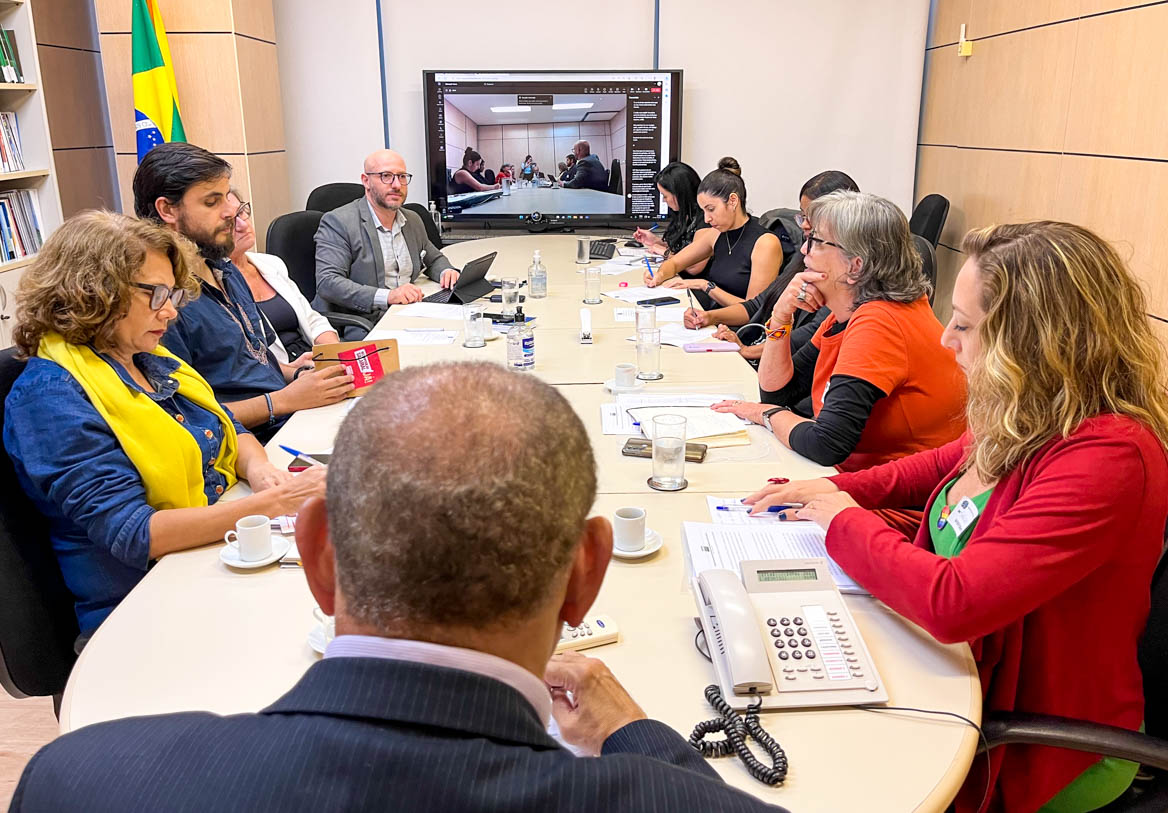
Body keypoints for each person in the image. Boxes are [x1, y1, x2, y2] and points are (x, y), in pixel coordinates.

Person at [11, 362, 787, 813]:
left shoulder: (85, 782)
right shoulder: (676, 799)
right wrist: (640, 737)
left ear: (317, 554)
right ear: (587, 573)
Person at [745, 221, 1168, 813]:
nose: (946, 339)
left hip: (1035, 744)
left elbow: (955, 601)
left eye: (965, 325)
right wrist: (826, 489)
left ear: (1033, 341)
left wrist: (841, 520)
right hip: (953, 671)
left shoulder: (1109, 455)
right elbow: (933, 467)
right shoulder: (1029, 411)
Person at [2, 212, 326, 643]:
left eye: (171, 294)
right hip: (143, 610)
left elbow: (224, 424)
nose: (171, 311)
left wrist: (260, 471)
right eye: (156, 294)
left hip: (206, 562)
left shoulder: (145, 358)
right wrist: (275, 502)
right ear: (95, 290)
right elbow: (136, 533)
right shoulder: (49, 398)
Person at [713, 190, 965, 534]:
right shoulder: (846, 315)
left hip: (905, 510)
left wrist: (765, 415)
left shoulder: (880, 322)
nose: (804, 251)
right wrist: (781, 317)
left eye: (816, 241)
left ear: (855, 265)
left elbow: (825, 444)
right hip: (856, 486)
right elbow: (778, 393)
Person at [134, 143, 354, 443]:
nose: (230, 212)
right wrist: (283, 400)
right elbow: (185, 418)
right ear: (168, 210)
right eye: (212, 202)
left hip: (288, 415)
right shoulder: (163, 304)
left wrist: (297, 375)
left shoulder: (226, 270)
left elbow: (253, 360)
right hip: (250, 441)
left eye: (227, 197)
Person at [686, 171, 860, 372]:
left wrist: (748, 351)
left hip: (788, 363)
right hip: (768, 352)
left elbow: (813, 334)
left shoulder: (846, 275)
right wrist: (709, 317)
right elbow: (759, 303)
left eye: (811, 216)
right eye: (802, 216)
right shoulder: (804, 254)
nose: (804, 224)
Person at [314, 149, 461, 338]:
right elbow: (328, 282)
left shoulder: (412, 220)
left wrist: (446, 271)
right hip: (366, 322)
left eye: (402, 176)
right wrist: (388, 296)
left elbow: (433, 258)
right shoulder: (338, 222)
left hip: (410, 313)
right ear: (366, 181)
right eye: (386, 176)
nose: (396, 185)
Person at [643, 158, 781, 309]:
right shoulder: (716, 233)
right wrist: (659, 275)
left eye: (711, 209)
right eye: (704, 211)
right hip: (712, 315)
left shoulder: (766, 243)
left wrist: (705, 286)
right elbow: (674, 263)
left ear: (733, 201)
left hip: (731, 322)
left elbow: (753, 309)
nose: (706, 219)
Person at [226, 189, 338, 365]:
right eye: (230, 221)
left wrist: (334, 354)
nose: (242, 225)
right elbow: (243, 359)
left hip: (313, 359)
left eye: (241, 212)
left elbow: (312, 319)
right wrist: (292, 371)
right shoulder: (217, 284)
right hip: (277, 373)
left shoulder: (271, 263)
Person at [632, 161, 704, 260]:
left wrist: (664, 252)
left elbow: (694, 262)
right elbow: (682, 249)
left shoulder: (704, 220)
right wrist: (657, 242)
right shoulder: (684, 214)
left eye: (665, 196)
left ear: (679, 194)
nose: (663, 200)